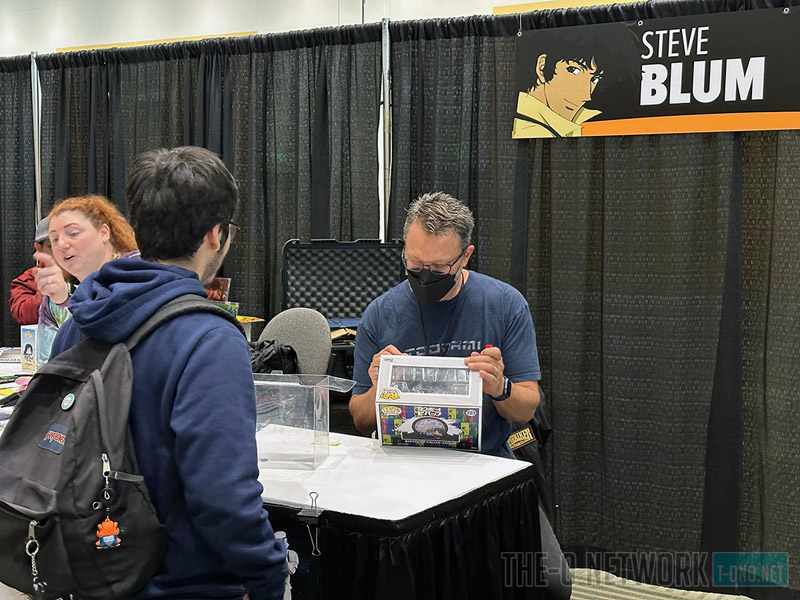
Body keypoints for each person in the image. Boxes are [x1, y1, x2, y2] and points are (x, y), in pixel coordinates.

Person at [50, 146, 286, 600]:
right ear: (216, 235)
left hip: (89, 570)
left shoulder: (82, 318)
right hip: (184, 584)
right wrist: (268, 578)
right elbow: (224, 496)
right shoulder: (209, 337)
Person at [349, 191, 541, 458]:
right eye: (415, 263)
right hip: (402, 466)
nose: (425, 274)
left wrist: (500, 387)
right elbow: (361, 421)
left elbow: (527, 409)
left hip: (483, 464)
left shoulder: (505, 305)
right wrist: (379, 387)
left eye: (439, 267)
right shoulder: (380, 314)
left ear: (465, 256)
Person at [34, 195, 139, 330]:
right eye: (54, 239)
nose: (61, 244)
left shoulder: (139, 270)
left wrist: (66, 302)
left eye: (73, 233)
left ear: (104, 232)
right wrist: (62, 302)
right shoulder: (54, 298)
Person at [8, 218, 51, 325]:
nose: (62, 250)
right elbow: (23, 315)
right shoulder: (26, 281)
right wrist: (46, 291)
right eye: (52, 246)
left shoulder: (88, 274)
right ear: (39, 248)